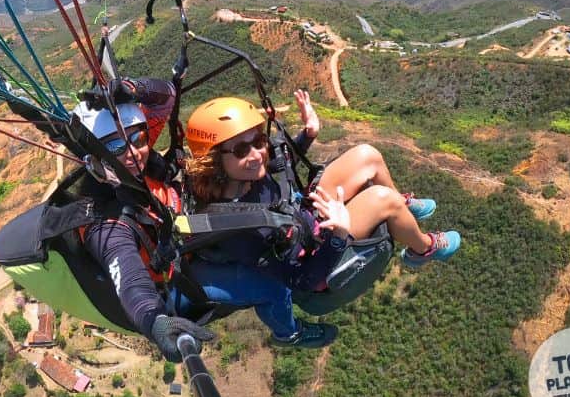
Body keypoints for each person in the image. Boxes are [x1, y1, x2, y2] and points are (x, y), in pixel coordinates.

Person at [76, 79, 335, 356]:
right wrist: (154, 321)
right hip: (180, 274)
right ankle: (289, 333)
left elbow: (166, 98)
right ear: (96, 154)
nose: (132, 152)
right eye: (115, 146)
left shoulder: (131, 155)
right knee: (273, 288)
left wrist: (131, 88)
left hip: (196, 230)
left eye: (138, 138)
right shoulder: (103, 221)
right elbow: (129, 279)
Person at [184, 92, 461, 288]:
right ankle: (422, 248)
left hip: (305, 212)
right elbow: (299, 280)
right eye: (242, 149)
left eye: (258, 141)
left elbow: (281, 166)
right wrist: (338, 235)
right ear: (214, 161)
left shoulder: (245, 174)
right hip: (317, 247)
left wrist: (308, 133)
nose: (257, 154)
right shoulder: (238, 227)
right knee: (382, 200)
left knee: (368, 155)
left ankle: (402, 209)